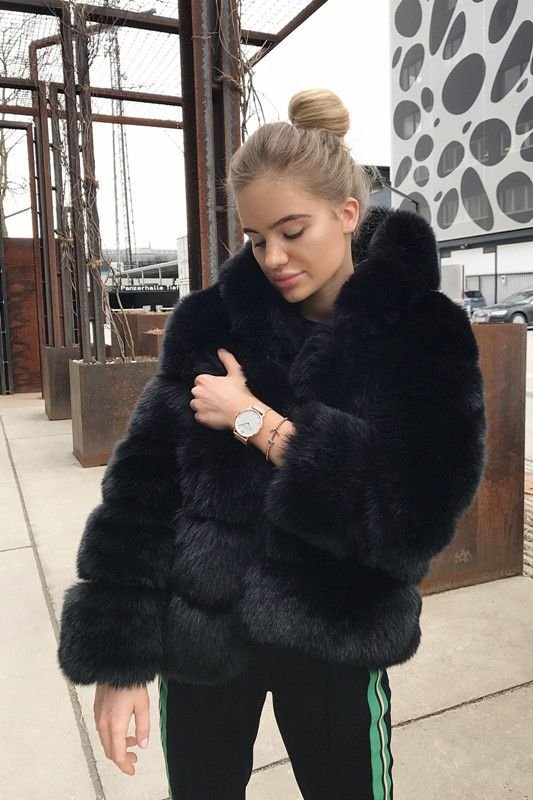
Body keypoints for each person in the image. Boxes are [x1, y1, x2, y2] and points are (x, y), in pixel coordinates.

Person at [57, 88, 487, 799]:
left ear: (346, 213)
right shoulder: (212, 322)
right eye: (257, 240)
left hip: (334, 633)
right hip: (201, 637)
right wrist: (119, 657)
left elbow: (415, 516)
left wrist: (258, 423)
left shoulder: (419, 333)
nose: (274, 258)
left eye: (292, 230)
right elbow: (141, 489)